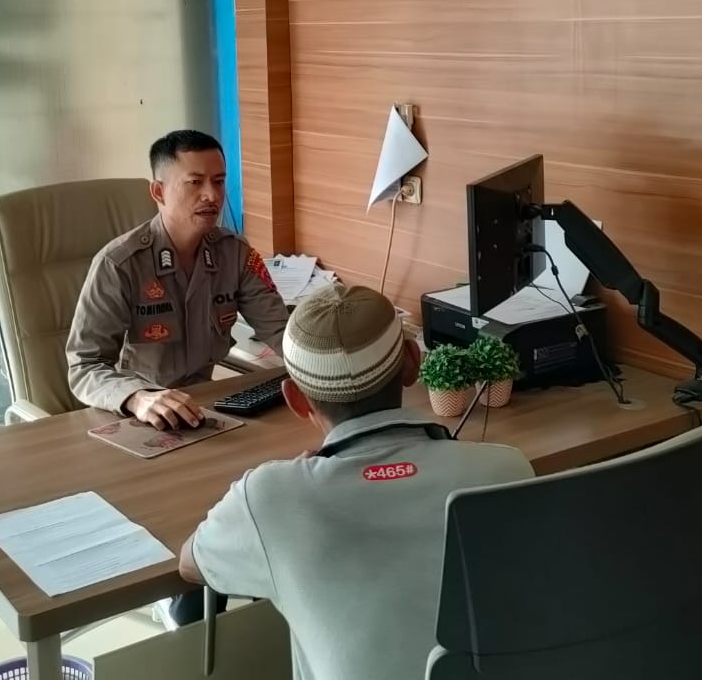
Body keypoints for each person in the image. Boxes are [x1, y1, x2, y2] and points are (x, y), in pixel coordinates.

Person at [178, 285, 534, 679]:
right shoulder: (508, 471)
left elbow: (191, 564)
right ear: (412, 364)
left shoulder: (270, 498)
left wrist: (287, 482)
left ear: (296, 400)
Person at [67, 129, 290, 429]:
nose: (212, 195)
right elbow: (84, 366)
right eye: (195, 182)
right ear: (159, 192)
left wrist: (329, 370)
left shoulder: (235, 253)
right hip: (138, 415)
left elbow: (281, 332)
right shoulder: (119, 264)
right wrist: (137, 398)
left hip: (203, 407)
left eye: (219, 181)